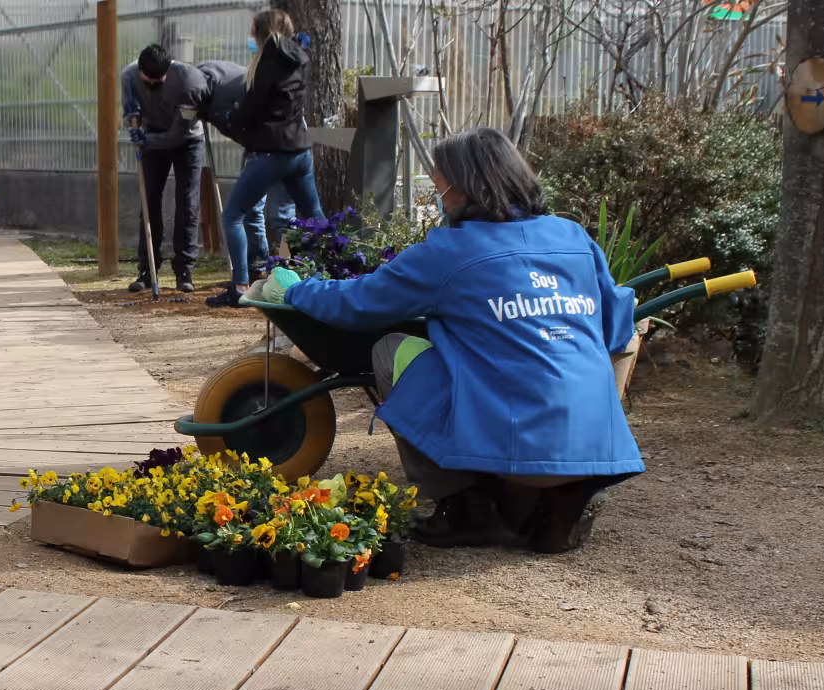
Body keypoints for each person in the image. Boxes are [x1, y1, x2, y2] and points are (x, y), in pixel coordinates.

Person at [269, 127, 645, 554]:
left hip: (516, 446)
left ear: (465, 185)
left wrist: (294, 290)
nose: (436, 192)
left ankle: (467, 507)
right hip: (594, 454)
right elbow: (617, 329)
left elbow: (359, 302)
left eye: (438, 180)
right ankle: (560, 507)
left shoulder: (450, 250)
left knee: (390, 349)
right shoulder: (573, 237)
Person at [206, 8, 325, 308]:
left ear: (261, 33)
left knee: (233, 216)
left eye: (253, 33)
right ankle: (329, 274)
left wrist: (224, 117)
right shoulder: (300, 57)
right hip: (300, 150)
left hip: (271, 152)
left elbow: (251, 109)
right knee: (315, 217)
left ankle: (240, 287)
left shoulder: (268, 63)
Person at [196, 59, 297, 275]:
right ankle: (258, 266)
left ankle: (287, 271)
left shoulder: (237, 93)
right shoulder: (205, 83)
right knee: (251, 209)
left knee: (280, 214)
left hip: (284, 142)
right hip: (257, 145)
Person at [120, 45, 207, 293]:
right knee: (149, 201)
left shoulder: (187, 79)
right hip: (153, 135)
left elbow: (179, 134)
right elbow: (129, 111)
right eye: (152, 78)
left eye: (162, 77)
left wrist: (146, 141)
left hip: (187, 139)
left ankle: (184, 270)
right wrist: (131, 117)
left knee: (188, 204)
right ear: (141, 72)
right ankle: (147, 269)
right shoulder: (128, 76)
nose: (159, 81)